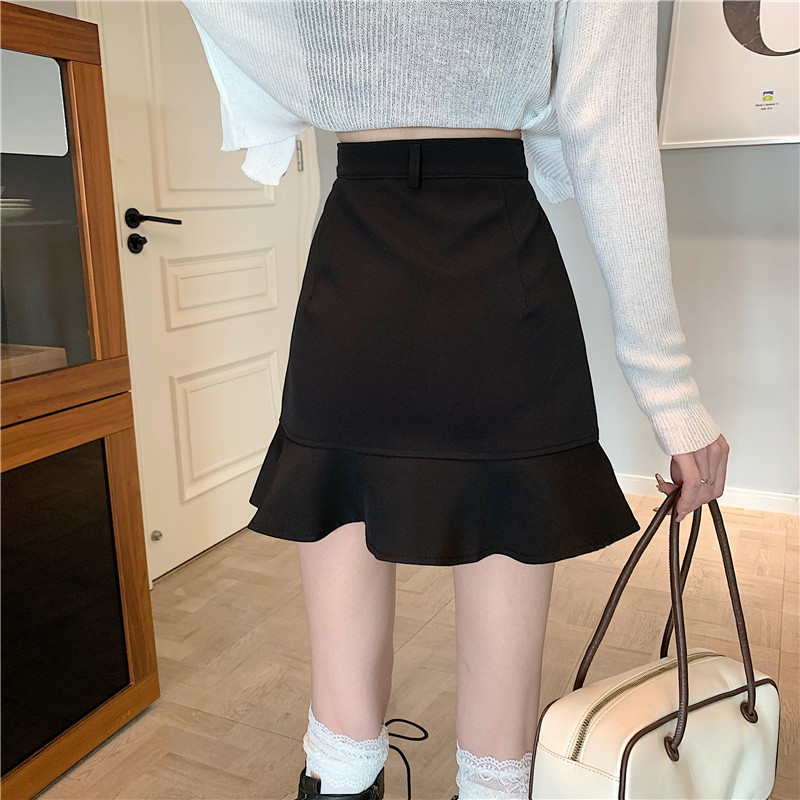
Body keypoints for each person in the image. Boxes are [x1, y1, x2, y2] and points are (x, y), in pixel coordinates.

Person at [181, 2, 730, 798]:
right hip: (498, 272)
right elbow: (608, 128)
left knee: (341, 707)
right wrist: (670, 391)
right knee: (499, 743)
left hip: (356, 268)